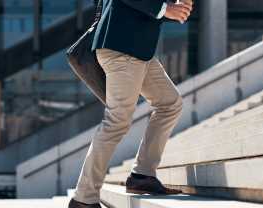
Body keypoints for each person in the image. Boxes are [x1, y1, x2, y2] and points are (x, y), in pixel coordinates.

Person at [68, 0, 193, 207]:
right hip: (122, 47)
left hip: (137, 48)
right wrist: (165, 8)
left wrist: (173, 8)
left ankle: (142, 175)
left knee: (170, 103)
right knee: (116, 121)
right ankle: (83, 198)